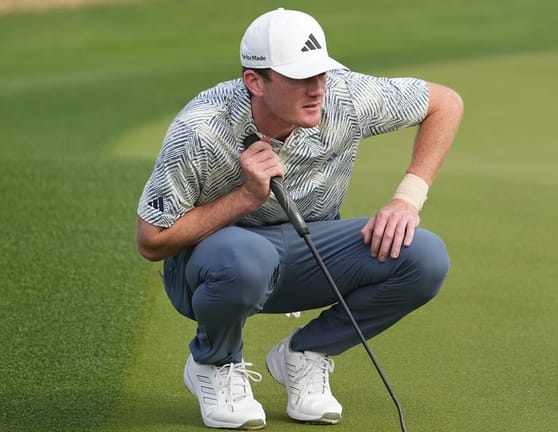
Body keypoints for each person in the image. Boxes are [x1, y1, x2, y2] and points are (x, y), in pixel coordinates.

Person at [135, 7, 463, 430]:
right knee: (246, 257)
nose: (317, 90)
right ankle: (214, 364)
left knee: (424, 257)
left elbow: (445, 103)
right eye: (300, 78)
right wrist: (246, 197)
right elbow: (151, 242)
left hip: (307, 254)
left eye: (321, 74)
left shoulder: (345, 96)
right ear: (255, 81)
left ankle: (305, 354)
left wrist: (407, 199)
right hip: (212, 269)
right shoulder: (201, 129)